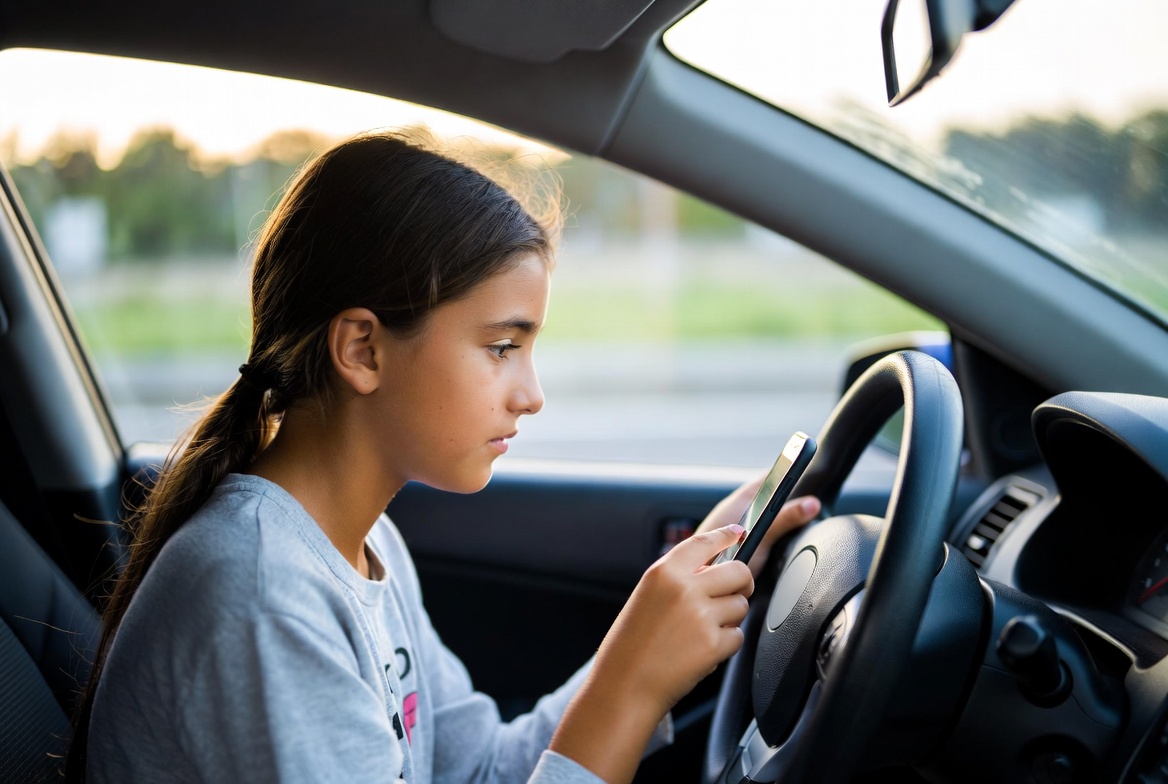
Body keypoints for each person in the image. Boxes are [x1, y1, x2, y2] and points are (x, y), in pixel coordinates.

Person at [73, 129, 821, 784]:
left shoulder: (365, 543)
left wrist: (642, 648)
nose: (531, 394)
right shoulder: (262, 594)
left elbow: (478, 770)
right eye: (502, 347)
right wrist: (628, 688)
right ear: (362, 348)